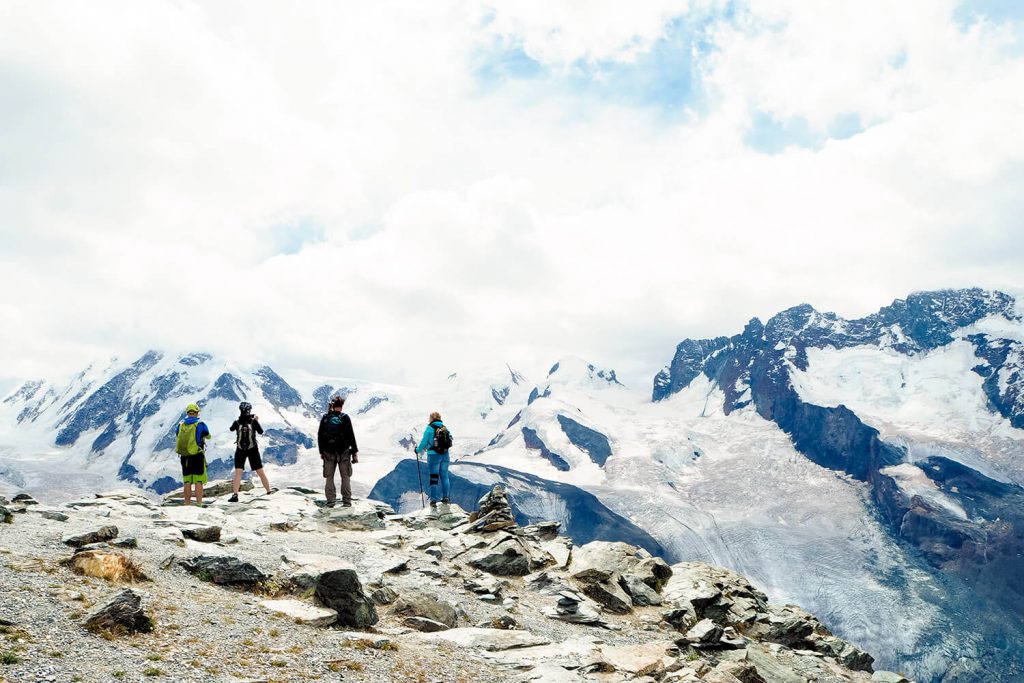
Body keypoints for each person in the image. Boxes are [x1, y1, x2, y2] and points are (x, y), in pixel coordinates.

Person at [227, 401, 277, 502]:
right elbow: (261, 432)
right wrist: (256, 420)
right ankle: (268, 490)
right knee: (260, 471)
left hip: (240, 449)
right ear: (249, 410)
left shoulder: (237, 422)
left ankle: (235, 495)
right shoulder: (253, 421)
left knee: (238, 473)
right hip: (253, 449)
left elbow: (231, 429)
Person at [317, 396, 359, 507]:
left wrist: (322, 451)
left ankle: (331, 502)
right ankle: (346, 502)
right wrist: (354, 451)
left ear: (332, 406)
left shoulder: (325, 418)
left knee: (329, 478)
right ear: (341, 406)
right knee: (345, 477)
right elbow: (351, 435)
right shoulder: (345, 418)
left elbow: (320, 436)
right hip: (344, 452)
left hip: (328, 453)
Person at [174, 402, 210, 506]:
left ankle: (187, 504)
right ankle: (199, 504)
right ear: (197, 413)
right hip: (197, 455)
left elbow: (177, 435)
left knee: (187, 481)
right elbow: (208, 436)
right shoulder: (200, 424)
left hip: (185, 456)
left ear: (188, 413)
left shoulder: (180, 425)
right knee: (199, 481)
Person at [415, 412, 452, 508]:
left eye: (429, 418)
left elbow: (424, 442)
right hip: (445, 455)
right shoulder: (444, 428)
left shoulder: (429, 428)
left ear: (432, 418)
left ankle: (433, 500)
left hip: (433, 456)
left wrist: (417, 450)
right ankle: (446, 498)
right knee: (445, 476)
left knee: (434, 478)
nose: (428, 419)